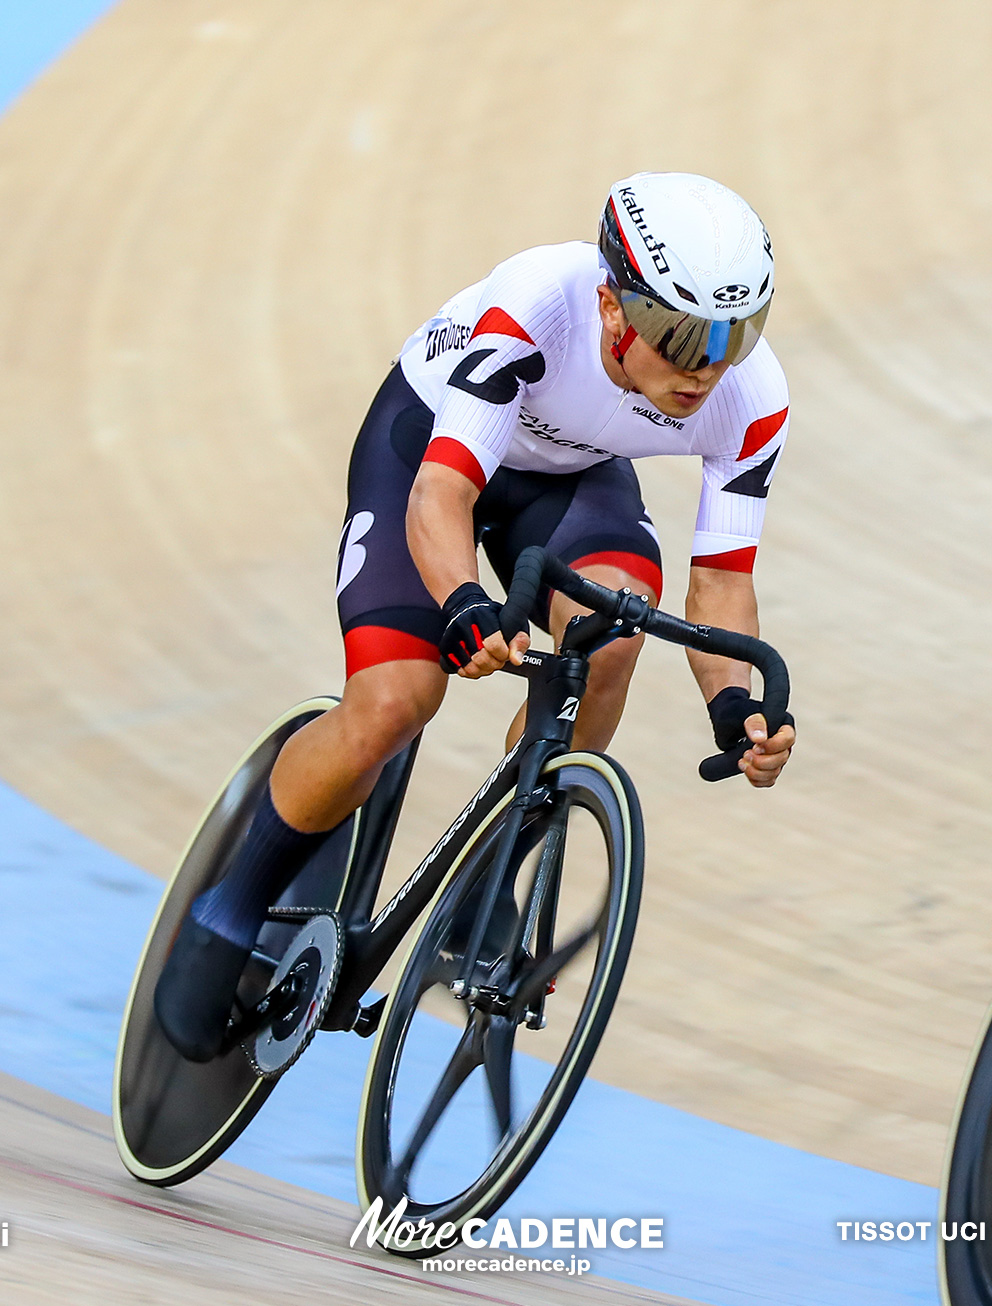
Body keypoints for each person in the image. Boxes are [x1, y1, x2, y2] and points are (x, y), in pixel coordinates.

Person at [154, 172, 801, 1061]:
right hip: (431, 443)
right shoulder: (540, 303)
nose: (708, 365)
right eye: (683, 335)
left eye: (739, 332)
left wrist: (737, 708)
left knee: (612, 634)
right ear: (613, 310)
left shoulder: (750, 394)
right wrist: (463, 602)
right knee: (394, 703)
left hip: (568, 475)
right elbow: (445, 489)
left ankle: (493, 869)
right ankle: (228, 906)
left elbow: (722, 584)